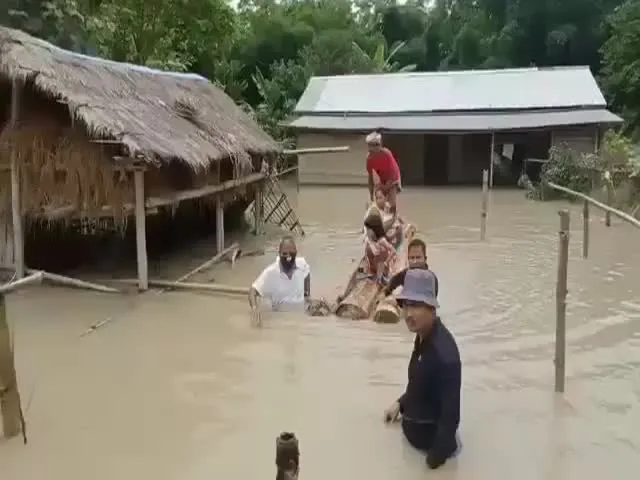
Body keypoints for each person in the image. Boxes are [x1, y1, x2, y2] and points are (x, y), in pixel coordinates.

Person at [383, 269, 461, 470]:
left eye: (416, 306)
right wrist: (400, 404)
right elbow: (419, 382)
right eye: (407, 305)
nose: (409, 314)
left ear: (432, 308)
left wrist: (432, 464)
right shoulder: (422, 337)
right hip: (412, 445)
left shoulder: (445, 355)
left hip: (431, 456)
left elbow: (450, 418)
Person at [248, 236, 311, 326]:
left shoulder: (302, 265)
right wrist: (255, 309)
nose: (288, 257)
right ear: (279, 253)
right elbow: (252, 291)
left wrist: (308, 299)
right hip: (280, 319)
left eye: (291, 254)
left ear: (296, 253)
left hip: (300, 319)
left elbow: (307, 291)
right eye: (284, 254)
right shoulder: (271, 272)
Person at [365, 132, 401, 215]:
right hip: (382, 178)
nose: (370, 149)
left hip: (393, 179)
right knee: (379, 202)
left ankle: (394, 218)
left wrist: (386, 189)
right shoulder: (369, 158)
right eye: (369, 145)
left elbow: (392, 175)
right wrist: (371, 195)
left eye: (373, 145)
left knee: (391, 203)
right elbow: (370, 178)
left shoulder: (387, 154)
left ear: (379, 145)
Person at [363, 211, 396, 284]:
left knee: (382, 250)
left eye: (369, 229)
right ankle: (373, 272)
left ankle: (381, 276)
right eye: (367, 229)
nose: (368, 232)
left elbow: (393, 251)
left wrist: (386, 263)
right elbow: (367, 255)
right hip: (374, 266)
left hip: (382, 267)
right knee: (368, 248)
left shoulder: (381, 240)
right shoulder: (370, 239)